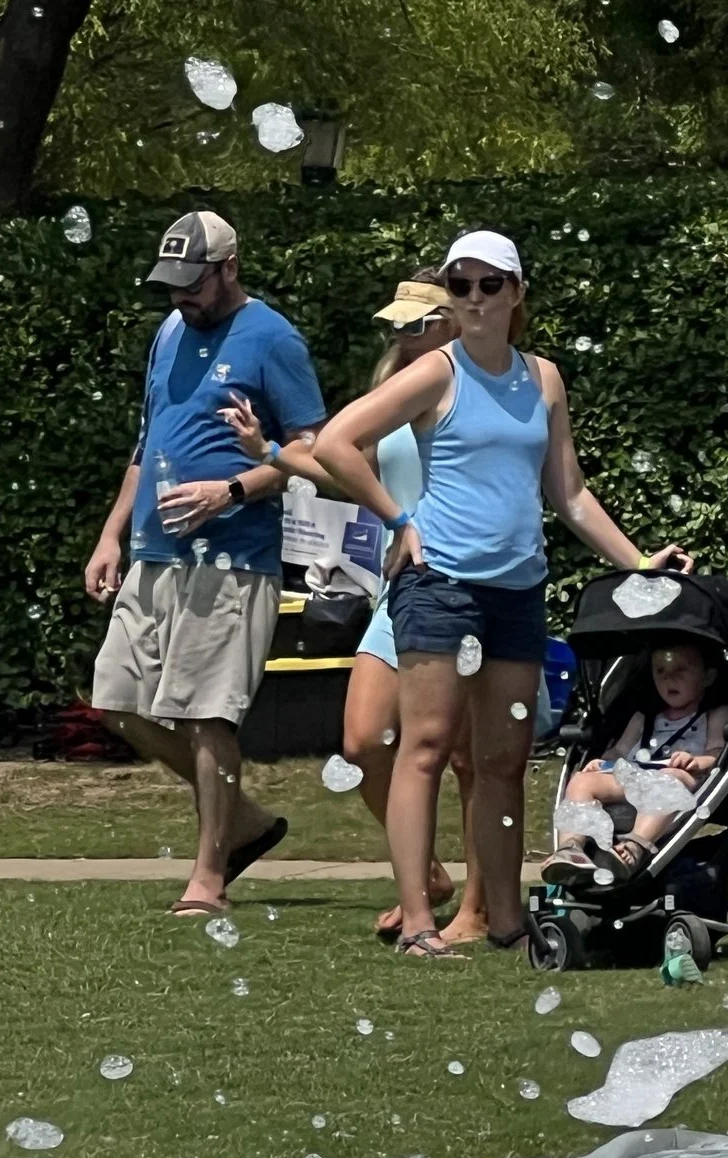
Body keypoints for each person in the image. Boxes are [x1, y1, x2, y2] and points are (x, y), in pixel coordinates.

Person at [313, 230, 689, 960]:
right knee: (424, 750)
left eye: (491, 285)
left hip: (517, 592)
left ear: (517, 293)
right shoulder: (436, 372)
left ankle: (508, 921)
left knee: (503, 762)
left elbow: (569, 494)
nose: (475, 299)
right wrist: (399, 520)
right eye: (461, 285)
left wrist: (640, 562)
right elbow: (334, 442)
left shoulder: (543, 378)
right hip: (440, 587)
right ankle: (419, 923)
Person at [228, 272, 490, 944]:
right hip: (399, 587)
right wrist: (270, 453)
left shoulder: (477, 386)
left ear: (453, 320)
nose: (404, 335)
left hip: (464, 583)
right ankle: (426, 875)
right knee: (363, 742)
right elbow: (346, 470)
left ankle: (480, 906)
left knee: (467, 758)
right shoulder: (393, 392)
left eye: (417, 323)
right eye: (397, 325)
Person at [82, 210, 325, 917]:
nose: (181, 296)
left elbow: (316, 449)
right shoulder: (168, 332)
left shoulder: (272, 338)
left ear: (230, 267)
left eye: (193, 282)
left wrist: (232, 490)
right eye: (171, 284)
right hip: (153, 555)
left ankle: (209, 877)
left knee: (207, 716)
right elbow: (146, 442)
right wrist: (110, 535)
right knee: (116, 702)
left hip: (233, 558)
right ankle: (242, 821)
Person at [544, 639, 728, 881]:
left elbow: (717, 752)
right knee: (581, 780)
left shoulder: (715, 714)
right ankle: (571, 847)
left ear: (707, 677)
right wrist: (603, 762)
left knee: (669, 779)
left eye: (680, 670)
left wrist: (696, 762)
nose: (669, 678)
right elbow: (619, 752)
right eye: (660, 671)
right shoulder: (643, 717)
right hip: (634, 776)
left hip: (677, 778)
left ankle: (635, 844)